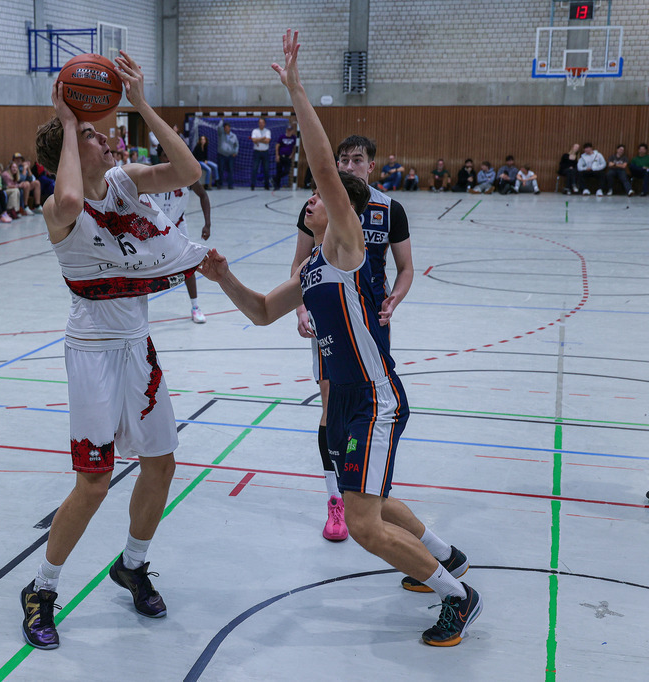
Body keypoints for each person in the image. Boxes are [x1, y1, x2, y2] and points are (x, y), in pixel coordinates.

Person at [201, 30, 480, 648]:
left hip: (376, 401)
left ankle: (458, 597)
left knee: (361, 524)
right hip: (349, 400)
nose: (310, 198)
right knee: (376, 508)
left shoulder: (348, 249)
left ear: (338, 207)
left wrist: (297, 89)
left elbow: (326, 168)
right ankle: (447, 558)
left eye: (318, 196)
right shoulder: (314, 271)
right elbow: (260, 313)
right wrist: (224, 278)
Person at [21, 50, 207, 651]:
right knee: (94, 484)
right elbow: (72, 201)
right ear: (75, 150)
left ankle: (133, 563)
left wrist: (143, 104)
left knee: (162, 464)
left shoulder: (127, 184)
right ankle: (42, 589)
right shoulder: (58, 208)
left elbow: (190, 172)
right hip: (93, 351)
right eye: (100, 137)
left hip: (136, 347)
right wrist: (71, 123)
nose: (112, 143)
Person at [291, 132, 413, 544]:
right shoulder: (318, 209)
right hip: (330, 318)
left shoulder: (386, 210)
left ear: (371, 166)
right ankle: (337, 501)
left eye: (356, 160)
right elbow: (299, 270)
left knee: (370, 406)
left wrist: (394, 298)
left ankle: (367, 495)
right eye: (341, 160)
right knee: (333, 409)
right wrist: (301, 307)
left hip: (370, 320)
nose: (346, 166)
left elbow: (406, 268)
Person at [148, 144, 212, 323]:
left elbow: (203, 195)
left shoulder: (185, 174)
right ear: (159, 158)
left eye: (171, 155)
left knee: (188, 264)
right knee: (145, 268)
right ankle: (137, 309)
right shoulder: (150, 176)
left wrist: (207, 224)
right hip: (155, 227)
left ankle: (195, 306)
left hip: (178, 224)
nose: (168, 159)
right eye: (165, 156)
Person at [250, 117, 271, 190]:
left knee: (266, 169)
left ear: (264, 123)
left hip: (265, 152)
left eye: (262, 123)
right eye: (260, 123)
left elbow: (267, 141)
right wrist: (262, 138)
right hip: (257, 152)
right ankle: (252, 185)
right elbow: (253, 139)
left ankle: (266, 185)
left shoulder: (267, 131)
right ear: (258, 123)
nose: (261, 124)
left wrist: (258, 140)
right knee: (255, 168)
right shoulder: (255, 131)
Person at [216, 120, 239, 189]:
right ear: (224, 128)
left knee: (230, 170)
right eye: (225, 128)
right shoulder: (221, 134)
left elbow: (236, 145)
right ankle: (220, 184)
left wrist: (235, 152)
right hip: (221, 155)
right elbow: (219, 128)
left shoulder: (233, 136)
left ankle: (230, 185)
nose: (226, 129)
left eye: (227, 127)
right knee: (221, 170)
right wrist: (221, 120)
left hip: (230, 156)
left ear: (230, 128)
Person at [274, 123, 298, 189]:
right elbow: (277, 146)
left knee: (286, 171)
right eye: (288, 130)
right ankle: (277, 185)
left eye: (290, 130)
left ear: (292, 131)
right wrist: (277, 155)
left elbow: (294, 147)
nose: (289, 131)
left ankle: (274, 178)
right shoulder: (282, 137)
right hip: (281, 156)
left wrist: (292, 155)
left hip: (288, 157)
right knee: (278, 170)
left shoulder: (294, 138)